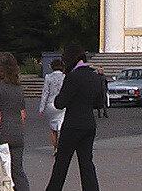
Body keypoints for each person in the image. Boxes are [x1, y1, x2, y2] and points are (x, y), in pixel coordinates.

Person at [44, 45, 102, 191]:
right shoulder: (95, 76)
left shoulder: (72, 77)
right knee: (87, 163)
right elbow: (99, 103)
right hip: (89, 124)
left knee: (61, 164)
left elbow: (60, 103)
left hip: (72, 125)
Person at [0, 52, 30, 191]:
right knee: (17, 173)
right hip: (16, 134)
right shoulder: (18, 88)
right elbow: (23, 115)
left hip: (1, 136)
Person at [39, 58, 66, 149]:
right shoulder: (65, 77)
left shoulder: (48, 77)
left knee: (52, 129)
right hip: (62, 104)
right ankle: (61, 147)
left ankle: (55, 147)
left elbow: (45, 93)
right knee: (62, 127)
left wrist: (41, 108)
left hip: (51, 104)